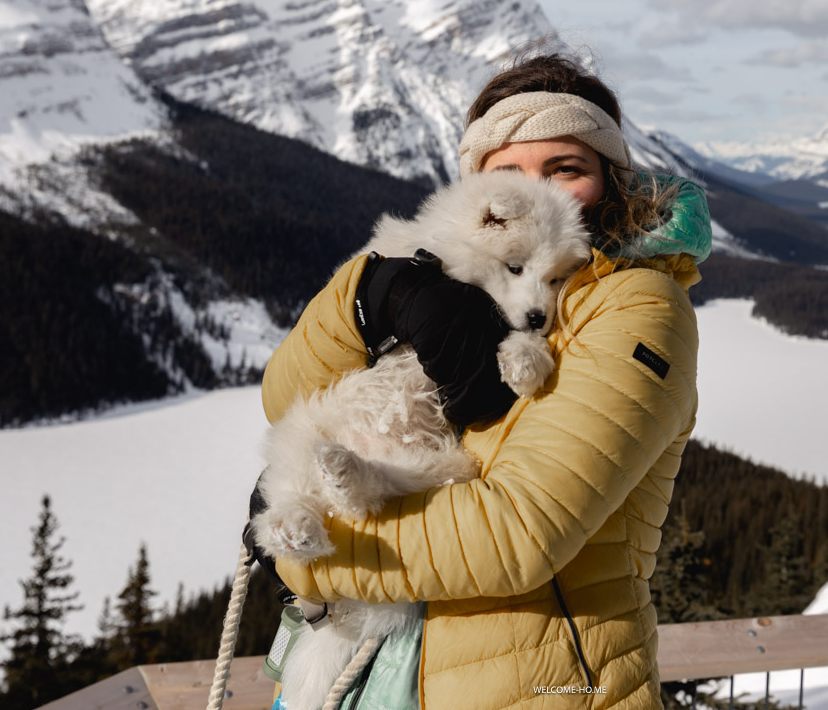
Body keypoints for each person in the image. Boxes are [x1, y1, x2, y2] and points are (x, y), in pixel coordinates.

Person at [259, 53, 710, 709]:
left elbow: (520, 533)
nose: (541, 194)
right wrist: (366, 296)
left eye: (567, 169)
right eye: (509, 172)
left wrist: (306, 556)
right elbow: (284, 400)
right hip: (375, 665)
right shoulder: (440, 273)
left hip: (541, 684)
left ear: (610, 182)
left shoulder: (634, 304)